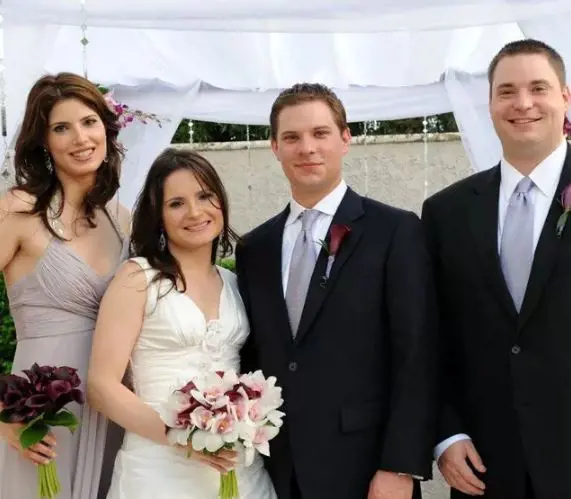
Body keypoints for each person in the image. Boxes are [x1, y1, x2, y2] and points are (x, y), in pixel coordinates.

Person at [236, 83, 437, 499]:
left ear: (345, 139)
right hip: (278, 466)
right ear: (274, 147)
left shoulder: (394, 231)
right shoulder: (255, 247)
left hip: (365, 466)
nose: (306, 148)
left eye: (320, 133)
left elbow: (417, 354)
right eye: (291, 137)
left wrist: (399, 465)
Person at [422, 39, 571, 499]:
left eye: (538, 88)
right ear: (489, 104)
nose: (522, 103)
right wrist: (445, 434)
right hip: (486, 466)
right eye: (506, 91)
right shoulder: (445, 213)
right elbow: (429, 336)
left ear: (565, 98)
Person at [87, 148, 277, 498]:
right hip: (158, 469)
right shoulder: (138, 278)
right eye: (176, 203)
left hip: (238, 467)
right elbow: (102, 386)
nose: (194, 212)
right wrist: (185, 439)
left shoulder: (234, 283)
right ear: (158, 215)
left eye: (205, 196)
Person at [0, 72, 130, 499]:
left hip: (115, 407)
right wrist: (5, 418)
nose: (80, 138)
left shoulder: (123, 218)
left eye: (89, 122)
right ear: (43, 142)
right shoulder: (18, 209)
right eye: (61, 127)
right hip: (40, 423)